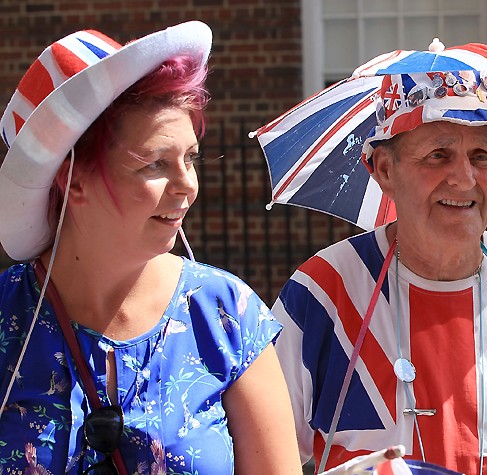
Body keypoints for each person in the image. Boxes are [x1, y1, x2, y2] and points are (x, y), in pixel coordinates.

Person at [272, 71, 487, 474]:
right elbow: (262, 453)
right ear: (385, 169)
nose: (464, 178)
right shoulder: (324, 290)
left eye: (482, 157)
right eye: (438, 154)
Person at [0, 22, 302, 474]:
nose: (188, 186)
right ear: (73, 178)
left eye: (191, 159)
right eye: (156, 163)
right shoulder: (7, 318)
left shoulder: (226, 316)